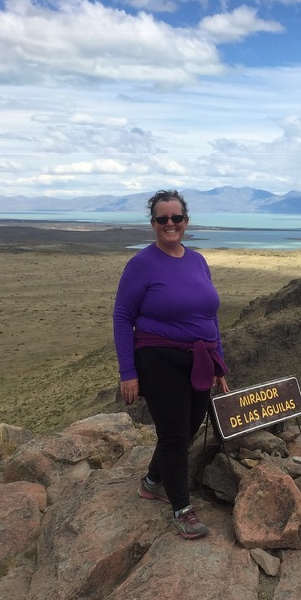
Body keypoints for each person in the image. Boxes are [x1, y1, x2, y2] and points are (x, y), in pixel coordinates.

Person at [113, 190, 229, 539]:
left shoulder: (197, 261)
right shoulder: (142, 264)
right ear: (153, 224)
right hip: (158, 358)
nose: (170, 224)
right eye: (162, 219)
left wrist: (219, 363)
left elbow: (210, 317)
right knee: (175, 433)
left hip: (199, 359)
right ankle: (182, 509)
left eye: (175, 218)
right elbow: (122, 317)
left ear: (185, 221)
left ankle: (151, 481)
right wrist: (128, 372)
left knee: (191, 425)